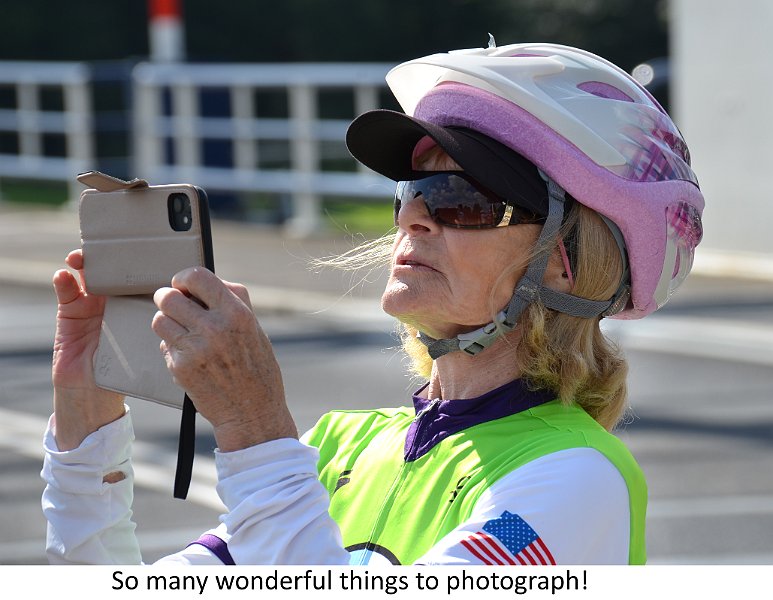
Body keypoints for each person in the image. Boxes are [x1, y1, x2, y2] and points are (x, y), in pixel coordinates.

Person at [42, 41, 704, 566]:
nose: (413, 217)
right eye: (409, 193)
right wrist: (85, 426)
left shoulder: (575, 477)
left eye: (458, 199)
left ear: (565, 258)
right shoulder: (337, 446)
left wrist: (255, 423)